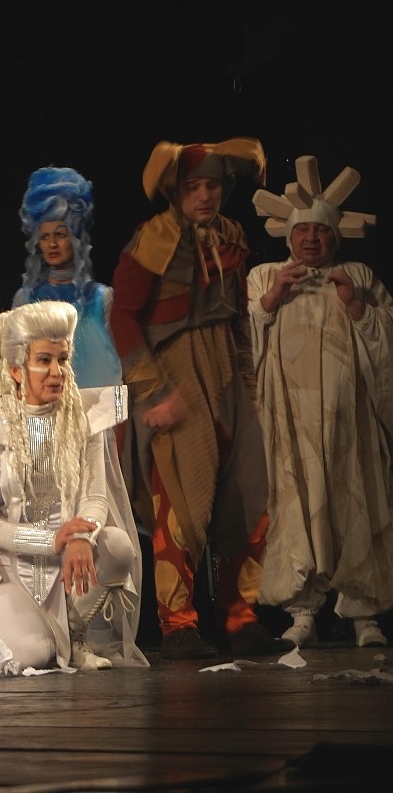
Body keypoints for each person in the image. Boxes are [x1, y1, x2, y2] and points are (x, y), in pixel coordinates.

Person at [110, 138, 289, 659]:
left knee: (249, 496)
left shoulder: (231, 237)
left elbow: (236, 320)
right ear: (176, 191)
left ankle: (240, 616)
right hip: (174, 376)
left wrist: (249, 390)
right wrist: (153, 391)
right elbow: (123, 318)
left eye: (212, 186)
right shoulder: (152, 240)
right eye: (194, 187)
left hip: (225, 375)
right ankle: (178, 625)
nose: (205, 196)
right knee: (179, 505)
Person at [0, 300, 148, 670]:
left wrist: (80, 536)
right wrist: (52, 540)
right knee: (33, 655)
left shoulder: (84, 416)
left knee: (118, 546)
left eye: (63, 359)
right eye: (44, 360)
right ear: (15, 369)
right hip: (4, 563)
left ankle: (74, 636)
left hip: (67, 558)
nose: (56, 371)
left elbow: (95, 497)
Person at [248, 155, 393, 647]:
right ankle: (303, 613)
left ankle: (364, 616)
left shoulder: (358, 274)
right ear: (289, 236)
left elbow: (386, 340)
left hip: (349, 419)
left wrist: (357, 306)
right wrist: (270, 302)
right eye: (302, 230)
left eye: (321, 230)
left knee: (356, 501)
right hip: (289, 418)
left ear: (336, 236)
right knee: (294, 505)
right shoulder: (264, 276)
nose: (311, 238)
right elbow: (240, 341)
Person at [12, 166, 123, 388]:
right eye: (45, 237)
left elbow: (122, 353)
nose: (52, 244)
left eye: (60, 235)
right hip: (45, 401)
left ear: (76, 238)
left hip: (100, 403)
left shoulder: (101, 297)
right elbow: (14, 359)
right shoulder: (26, 299)